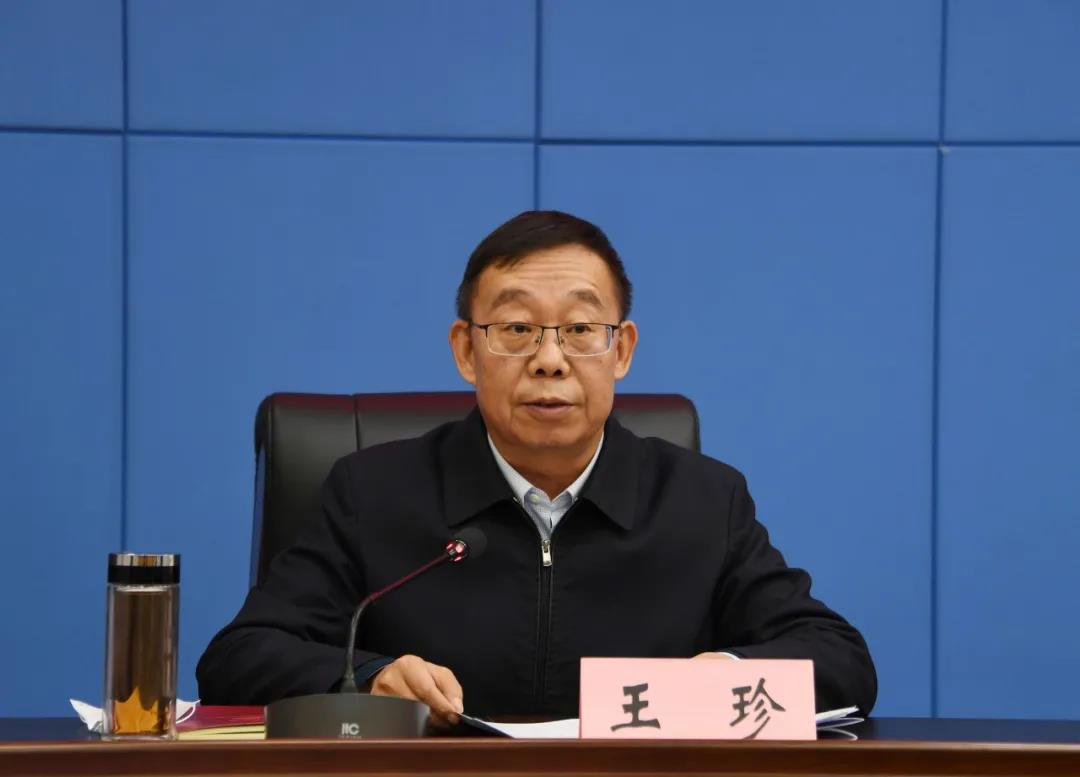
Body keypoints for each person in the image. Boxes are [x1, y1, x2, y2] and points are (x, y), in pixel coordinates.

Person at [197, 210, 877, 725]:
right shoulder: (372, 493)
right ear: (466, 350)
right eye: (516, 329)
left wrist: (723, 673)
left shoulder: (703, 501)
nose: (550, 360)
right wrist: (370, 677)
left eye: (580, 330)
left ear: (621, 351)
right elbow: (237, 658)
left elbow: (841, 659)